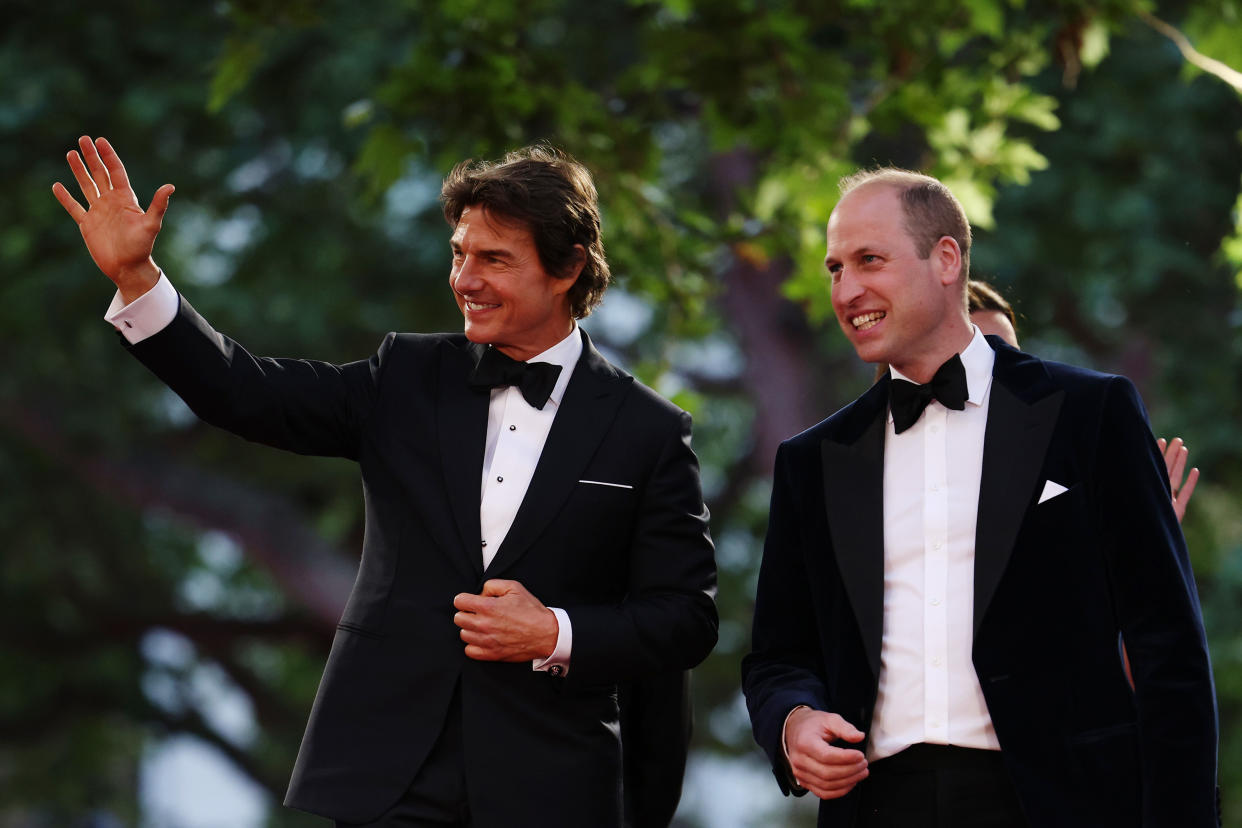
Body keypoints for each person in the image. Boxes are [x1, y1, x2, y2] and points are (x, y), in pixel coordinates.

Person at [54, 136, 718, 828]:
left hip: (551, 785)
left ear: (567, 267)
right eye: (460, 253)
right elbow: (243, 391)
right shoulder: (405, 376)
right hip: (391, 776)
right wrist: (138, 278)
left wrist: (553, 631)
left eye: (495, 259)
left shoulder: (650, 430)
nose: (466, 278)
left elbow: (686, 618)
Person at [741, 168, 1218, 827]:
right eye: (834, 269)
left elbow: (1169, 651)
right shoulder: (812, 462)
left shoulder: (1090, 412)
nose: (847, 290)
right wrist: (793, 722)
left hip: (1060, 805)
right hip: (876, 807)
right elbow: (779, 656)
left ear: (945, 259)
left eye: (869, 261)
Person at [967, 279, 1200, 522]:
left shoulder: (1061, 463)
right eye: (982, 359)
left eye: (1011, 358)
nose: (1001, 373)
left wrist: (1147, 532)